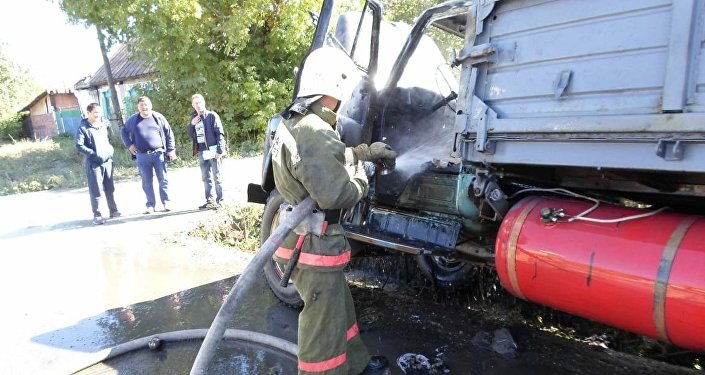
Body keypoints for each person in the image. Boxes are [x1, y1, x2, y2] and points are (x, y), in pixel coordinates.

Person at [270, 46, 397, 375]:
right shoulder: (313, 130)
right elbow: (336, 192)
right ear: (332, 89)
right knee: (321, 330)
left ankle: (356, 365)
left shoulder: (304, 124)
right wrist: (363, 176)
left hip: (310, 240)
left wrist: (366, 152)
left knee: (340, 311)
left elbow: (329, 159)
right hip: (314, 245)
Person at [120, 96, 177, 213]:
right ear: (138, 107)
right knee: (146, 181)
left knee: (163, 179)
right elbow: (124, 132)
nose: (144, 107)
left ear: (150, 105)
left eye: (146, 105)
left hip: (159, 154)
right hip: (142, 155)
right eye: (141, 105)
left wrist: (171, 150)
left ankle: (166, 202)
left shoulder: (158, 117)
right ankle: (150, 205)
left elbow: (168, 133)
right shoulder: (133, 119)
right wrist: (129, 145)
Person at [75, 102, 121, 225]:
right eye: (95, 112)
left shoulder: (103, 125)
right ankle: (97, 214)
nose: (98, 115)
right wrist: (93, 154)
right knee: (96, 190)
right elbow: (79, 145)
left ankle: (113, 211)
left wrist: (110, 150)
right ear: (88, 113)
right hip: (94, 164)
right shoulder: (83, 128)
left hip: (108, 162)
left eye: (99, 112)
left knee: (110, 188)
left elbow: (108, 141)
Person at [187, 93, 227, 209]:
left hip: (214, 151)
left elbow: (220, 133)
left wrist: (220, 150)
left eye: (200, 102)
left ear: (204, 103)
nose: (198, 105)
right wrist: (191, 125)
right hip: (202, 152)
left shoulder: (212, 116)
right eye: (195, 103)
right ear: (193, 105)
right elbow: (190, 135)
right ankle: (209, 201)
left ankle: (221, 200)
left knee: (217, 177)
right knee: (205, 178)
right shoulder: (194, 119)